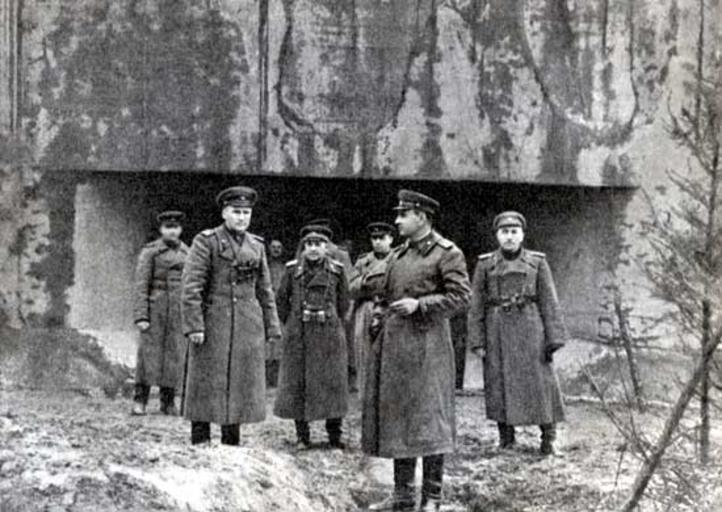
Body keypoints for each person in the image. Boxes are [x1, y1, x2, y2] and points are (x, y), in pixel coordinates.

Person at [363, 190, 471, 512]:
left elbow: (461, 297)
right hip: (396, 349)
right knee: (400, 418)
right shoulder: (398, 255)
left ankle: (432, 497)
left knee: (431, 419)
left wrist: (420, 304)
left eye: (403, 215)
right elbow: (384, 295)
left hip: (428, 349)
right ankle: (403, 494)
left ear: (421, 217)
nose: (397, 221)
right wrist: (378, 316)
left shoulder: (447, 253)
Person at [180, 186, 281, 445]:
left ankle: (231, 440)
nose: (241, 217)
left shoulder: (256, 245)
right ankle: (200, 439)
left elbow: (265, 289)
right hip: (214, 322)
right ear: (224, 213)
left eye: (246, 213)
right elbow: (192, 286)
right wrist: (194, 325)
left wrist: (272, 326)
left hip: (247, 323)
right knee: (205, 379)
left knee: (239, 381)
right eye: (236, 212)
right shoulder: (206, 241)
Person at [467, 211, 567, 455]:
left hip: (531, 330)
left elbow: (549, 301)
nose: (509, 237)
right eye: (504, 232)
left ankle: (548, 439)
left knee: (541, 384)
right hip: (497, 331)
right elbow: (476, 304)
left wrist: (554, 337)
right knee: (499, 383)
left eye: (514, 232)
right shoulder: (485, 264)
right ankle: (506, 438)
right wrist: (477, 340)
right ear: (497, 236)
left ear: (522, 235)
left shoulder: (537, 263)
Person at [274, 223, 350, 449]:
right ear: (303, 247)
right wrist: (292, 322)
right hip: (300, 335)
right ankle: (302, 436)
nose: (313, 249)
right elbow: (281, 300)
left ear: (326, 247)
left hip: (328, 334)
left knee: (333, 383)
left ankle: (334, 435)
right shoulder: (292, 270)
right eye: (309, 244)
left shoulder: (337, 270)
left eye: (318, 244)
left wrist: (333, 320)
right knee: (298, 383)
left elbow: (344, 302)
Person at [132, 210, 190, 416]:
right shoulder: (151, 252)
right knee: (148, 355)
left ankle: (168, 401)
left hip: (177, 311)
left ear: (181, 229)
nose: (172, 232)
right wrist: (141, 316)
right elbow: (141, 285)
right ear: (161, 229)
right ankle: (140, 399)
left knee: (174, 355)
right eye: (168, 227)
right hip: (155, 309)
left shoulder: (187, 253)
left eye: (176, 228)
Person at [348, 222, 395, 397]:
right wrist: (367, 281)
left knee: (390, 353)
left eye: (382, 238)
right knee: (364, 353)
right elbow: (351, 288)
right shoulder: (363, 261)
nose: (377, 242)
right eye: (374, 238)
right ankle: (365, 398)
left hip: (390, 309)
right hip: (366, 307)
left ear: (390, 239)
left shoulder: (398, 258)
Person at [266, 239, 287, 386]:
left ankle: (277, 378)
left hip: (279, 309)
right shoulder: (264, 266)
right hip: (266, 309)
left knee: (279, 344)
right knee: (267, 344)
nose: (276, 250)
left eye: (279, 247)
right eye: (273, 247)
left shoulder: (285, 268)